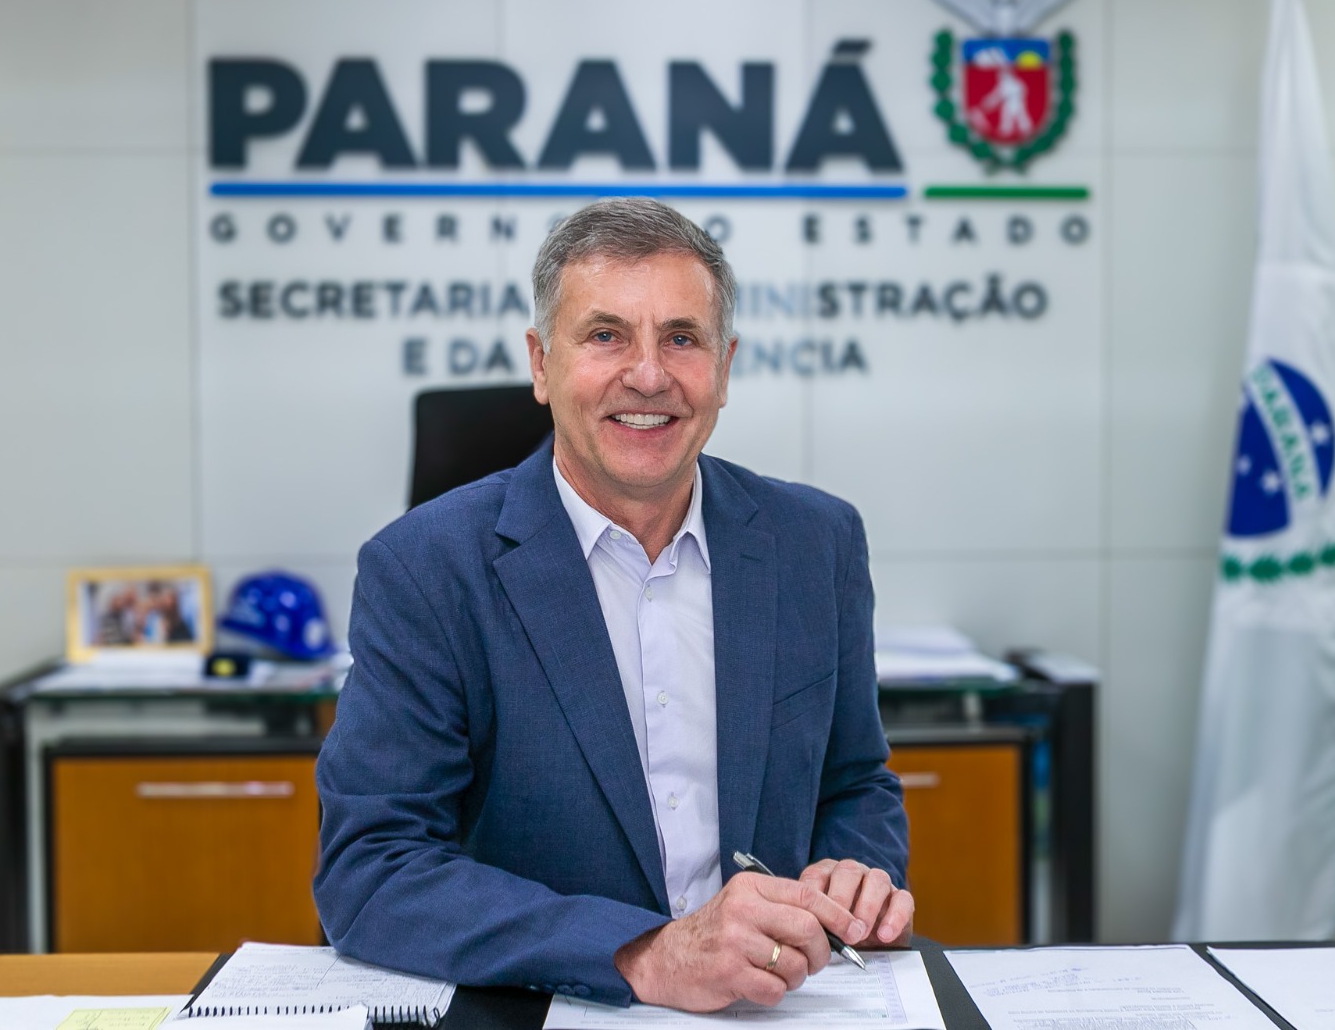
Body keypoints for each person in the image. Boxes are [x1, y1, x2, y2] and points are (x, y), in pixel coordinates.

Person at [314, 198, 911, 1012]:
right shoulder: (425, 568)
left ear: (724, 368)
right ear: (541, 364)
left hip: (775, 1009)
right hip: (549, 1009)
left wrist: (853, 871)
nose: (650, 376)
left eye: (682, 338)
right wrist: (644, 955)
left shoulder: (817, 543)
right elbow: (372, 867)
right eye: (606, 336)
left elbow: (854, 783)